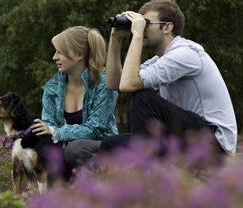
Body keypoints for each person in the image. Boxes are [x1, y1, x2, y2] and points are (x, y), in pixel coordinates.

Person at [102, 0, 237, 155]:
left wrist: (137, 36)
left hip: (214, 142)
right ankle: (139, 169)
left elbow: (129, 84)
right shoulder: (161, 59)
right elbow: (115, 83)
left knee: (143, 98)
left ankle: (145, 169)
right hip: (185, 133)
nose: (139, 28)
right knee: (109, 144)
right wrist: (116, 39)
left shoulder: (185, 54)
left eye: (145, 23)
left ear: (167, 27)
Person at [30, 26, 119, 177]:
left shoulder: (105, 85)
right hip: (68, 150)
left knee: (76, 149)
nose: (54, 57)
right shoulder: (52, 89)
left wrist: (55, 131)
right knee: (45, 150)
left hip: (100, 147)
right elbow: (48, 126)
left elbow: (95, 129)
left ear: (78, 54)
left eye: (60, 52)